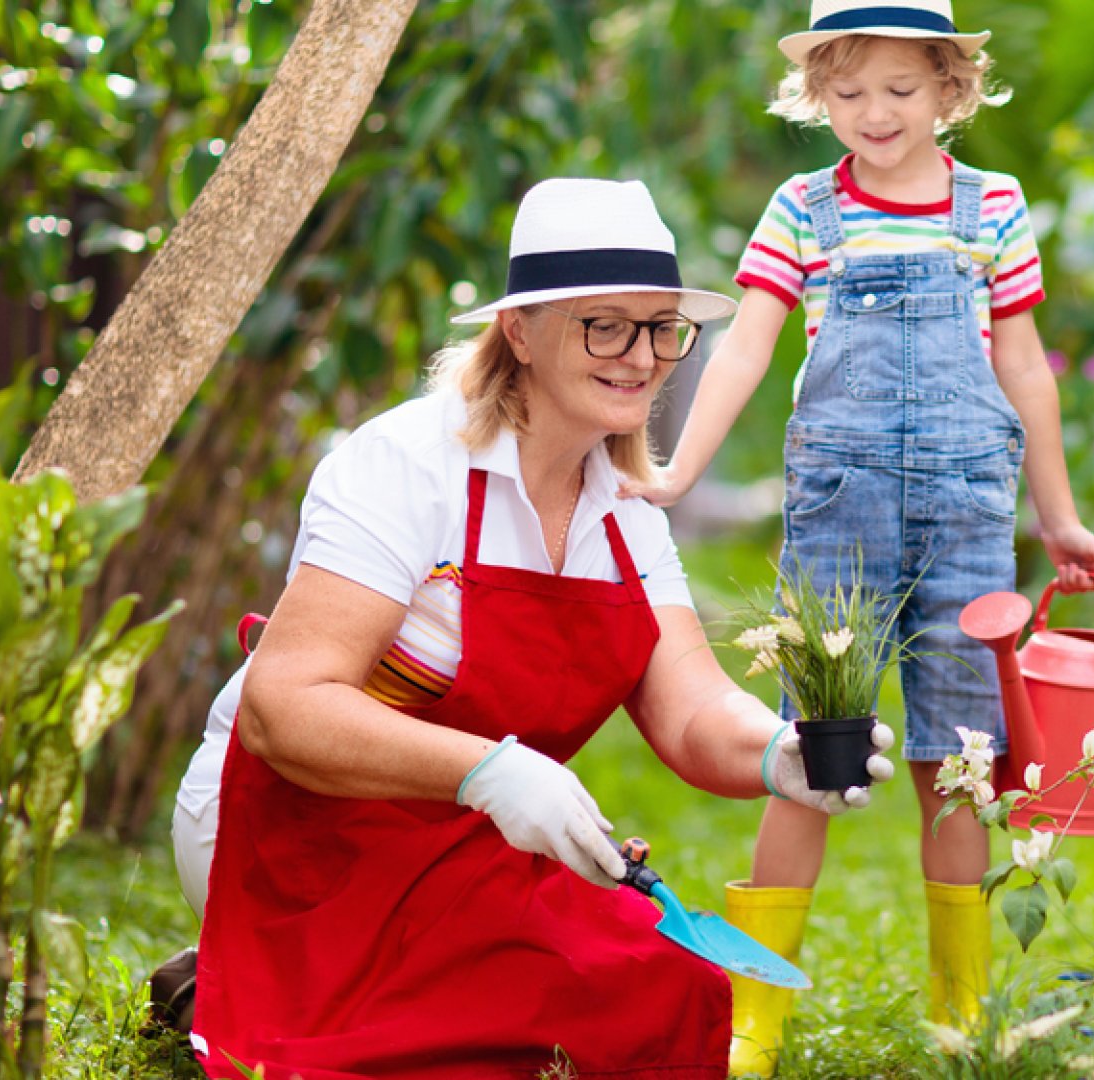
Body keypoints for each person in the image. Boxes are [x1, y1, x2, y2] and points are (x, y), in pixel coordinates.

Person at [167, 178, 895, 1080]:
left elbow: (691, 708)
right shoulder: (406, 465)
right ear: (521, 332)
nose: (643, 357)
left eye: (662, 327)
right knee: (430, 1050)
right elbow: (285, 708)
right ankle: (216, 983)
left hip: (466, 845)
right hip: (292, 831)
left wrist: (776, 755)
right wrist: (487, 769)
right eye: (607, 325)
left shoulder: (626, 517)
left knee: (668, 995)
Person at [619, 1, 1094, 1072]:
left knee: (957, 763)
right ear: (817, 95)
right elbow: (746, 349)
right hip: (840, 510)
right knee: (812, 752)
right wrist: (674, 470)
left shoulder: (992, 207)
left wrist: (1058, 514)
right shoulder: (803, 209)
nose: (873, 114)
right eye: (848, 93)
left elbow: (1024, 365)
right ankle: (751, 1020)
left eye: (899, 90)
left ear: (950, 88)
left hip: (970, 512)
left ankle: (960, 1015)